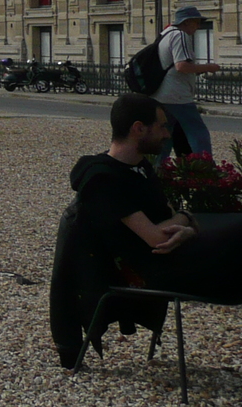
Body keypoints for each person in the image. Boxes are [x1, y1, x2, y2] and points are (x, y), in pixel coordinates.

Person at [69, 92, 242, 303]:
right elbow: (157, 238)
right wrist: (186, 219)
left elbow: (171, 218)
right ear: (139, 128)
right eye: (162, 127)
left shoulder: (140, 167)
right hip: (157, 272)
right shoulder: (102, 178)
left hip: (180, 257)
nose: (168, 135)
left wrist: (185, 225)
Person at [152, 6, 221, 157]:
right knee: (198, 131)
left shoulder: (165, 34)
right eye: (196, 23)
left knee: (166, 134)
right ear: (187, 22)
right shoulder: (180, 35)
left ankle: (158, 169)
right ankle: (204, 168)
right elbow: (181, 66)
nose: (198, 27)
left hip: (162, 93)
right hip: (177, 94)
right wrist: (209, 67)